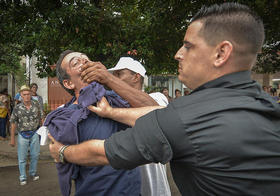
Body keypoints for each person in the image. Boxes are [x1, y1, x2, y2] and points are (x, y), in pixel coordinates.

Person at [49, 3, 280, 195]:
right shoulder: (269, 107)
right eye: (75, 62)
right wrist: (110, 113)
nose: (177, 54)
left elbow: (104, 152)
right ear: (67, 83)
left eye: (188, 46)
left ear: (221, 53)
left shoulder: (185, 118)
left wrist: (62, 152)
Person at [45, 50, 141, 196]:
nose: (84, 61)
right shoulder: (65, 120)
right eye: (76, 62)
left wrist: (109, 79)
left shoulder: (118, 99)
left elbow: (156, 113)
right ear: (69, 83)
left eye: (85, 58)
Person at [91, 56, 171, 196]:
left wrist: (110, 111)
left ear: (136, 77)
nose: (114, 78)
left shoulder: (158, 97)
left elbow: (154, 115)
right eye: (113, 75)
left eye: (119, 74)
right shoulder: (109, 102)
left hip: (154, 189)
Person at [9, 85, 44, 186]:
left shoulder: (36, 104)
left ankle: (33, 173)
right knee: (22, 157)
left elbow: (42, 116)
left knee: (35, 155)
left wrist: (44, 130)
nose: (27, 96)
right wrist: (12, 138)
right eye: (24, 94)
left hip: (34, 133)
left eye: (28, 94)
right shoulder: (17, 108)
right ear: (21, 95)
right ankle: (23, 177)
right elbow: (13, 123)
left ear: (31, 94)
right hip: (22, 135)